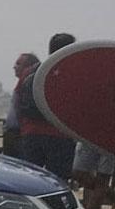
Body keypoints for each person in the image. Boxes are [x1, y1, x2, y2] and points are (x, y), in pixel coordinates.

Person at [16, 33, 77, 177]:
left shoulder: (30, 72)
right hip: (60, 135)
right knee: (57, 180)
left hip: (31, 134)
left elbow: (17, 104)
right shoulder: (72, 73)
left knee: (29, 178)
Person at [3, 54, 37, 159]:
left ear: (28, 67)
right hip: (15, 134)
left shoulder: (28, 85)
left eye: (18, 64)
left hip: (20, 134)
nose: (14, 67)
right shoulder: (21, 83)